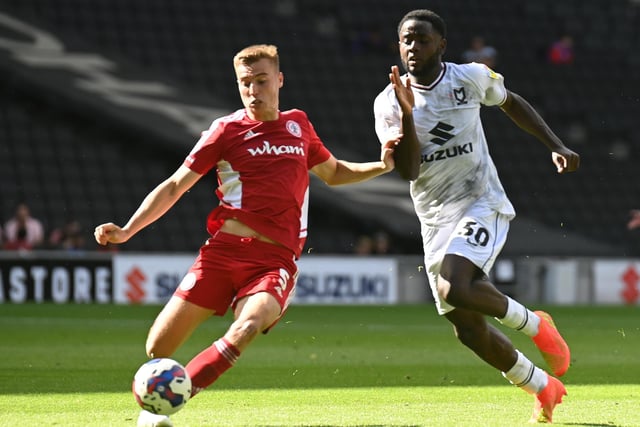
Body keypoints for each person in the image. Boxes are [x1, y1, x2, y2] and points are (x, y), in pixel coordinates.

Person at [94, 44, 397, 427]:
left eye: (261, 81)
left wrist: (382, 166)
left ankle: (170, 402)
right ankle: (162, 397)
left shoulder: (299, 125)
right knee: (157, 348)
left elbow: (335, 173)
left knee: (248, 326)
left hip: (275, 261)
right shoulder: (225, 130)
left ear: (279, 80)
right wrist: (127, 230)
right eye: (245, 83)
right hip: (221, 254)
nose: (253, 91)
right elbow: (174, 186)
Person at [374, 10, 580, 424]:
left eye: (422, 39)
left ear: (442, 45)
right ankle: (543, 387)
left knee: (454, 286)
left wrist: (554, 143)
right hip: (434, 218)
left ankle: (537, 326)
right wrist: (409, 113)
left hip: (480, 200)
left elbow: (511, 102)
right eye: (406, 40)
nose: (413, 48)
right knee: (467, 329)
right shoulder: (388, 103)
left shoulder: (469, 77)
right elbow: (409, 171)